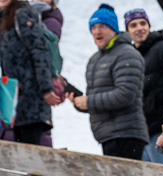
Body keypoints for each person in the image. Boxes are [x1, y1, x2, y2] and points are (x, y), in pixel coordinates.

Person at [67, 3, 148, 160]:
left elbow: (125, 95)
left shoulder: (127, 54)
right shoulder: (94, 60)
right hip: (107, 135)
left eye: (102, 26)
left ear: (113, 29)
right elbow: (98, 100)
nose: (97, 31)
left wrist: (88, 102)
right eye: (93, 27)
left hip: (127, 134)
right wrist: (79, 102)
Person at [125, 8, 163, 171]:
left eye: (143, 23)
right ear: (128, 31)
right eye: (133, 25)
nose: (139, 28)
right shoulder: (131, 55)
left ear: (149, 26)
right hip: (144, 127)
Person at [0, 0, 59, 146]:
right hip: (14, 98)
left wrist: (45, 88)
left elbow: (39, 51)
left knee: (31, 153)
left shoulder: (22, 14)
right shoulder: (3, 19)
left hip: (31, 98)